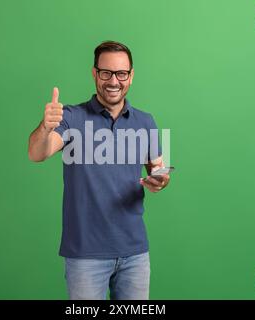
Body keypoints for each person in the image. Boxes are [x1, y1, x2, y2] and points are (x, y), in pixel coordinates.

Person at [28, 40, 170, 300]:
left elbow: (159, 170)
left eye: (121, 74)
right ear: (94, 73)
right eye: (106, 73)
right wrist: (45, 127)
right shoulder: (71, 117)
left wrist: (160, 180)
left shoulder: (146, 121)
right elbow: (37, 153)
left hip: (135, 254)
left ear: (131, 76)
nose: (113, 81)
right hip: (85, 255)